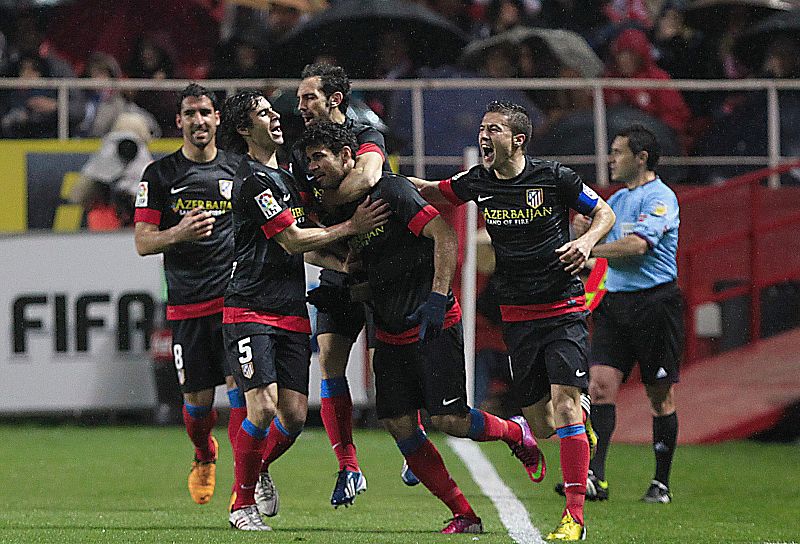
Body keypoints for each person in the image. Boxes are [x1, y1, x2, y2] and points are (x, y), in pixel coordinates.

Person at [300, 121, 552, 535]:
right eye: (309, 159)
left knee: (449, 420)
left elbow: (444, 235)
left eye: (319, 157)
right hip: (388, 328)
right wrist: (345, 278)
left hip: (433, 321)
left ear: (348, 157)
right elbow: (333, 253)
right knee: (399, 424)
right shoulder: (335, 209)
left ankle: (515, 431)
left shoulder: (392, 191)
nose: (313, 167)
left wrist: (438, 297)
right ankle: (464, 513)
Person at [411, 100, 616, 541]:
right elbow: (432, 190)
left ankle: (574, 517)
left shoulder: (555, 178)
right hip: (517, 317)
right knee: (541, 426)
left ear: (518, 139)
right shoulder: (479, 181)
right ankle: (581, 422)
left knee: (563, 407)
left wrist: (588, 244)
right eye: (482, 128)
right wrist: (377, 178)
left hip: (563, 309)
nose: (484, 136)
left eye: (495, 130)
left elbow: (605, 213)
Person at [217, 91, 390, 531]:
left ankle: (257, 472)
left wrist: (343, 263)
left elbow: (308, 248)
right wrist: (353, 227)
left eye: (273, 111)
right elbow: (292, 240)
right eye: (263, 113)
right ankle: (241, 506)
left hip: (291, 310)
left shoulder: (291, 180)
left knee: (293, 417)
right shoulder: (252, 180)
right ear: (244, 129)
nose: (276, 116)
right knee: (261, 407)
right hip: (250, 307)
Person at [289, 63, 414, 506]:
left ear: (334, 100)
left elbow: (367, 178)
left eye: (308, 98)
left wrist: (322, 195)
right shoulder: (299, 152)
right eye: (300, 98)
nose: (301, 106)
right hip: (338, 266)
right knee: (329, 361)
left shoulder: (368, 136)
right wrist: (341, 250)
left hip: (385, 271)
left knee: (388, 371)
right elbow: (299, 236)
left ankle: (411, 447)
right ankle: (348, 467)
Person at [133, 83, 246, 507]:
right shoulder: (160, 176)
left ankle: (245, 483)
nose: (198, 120)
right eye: (190, 113)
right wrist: (179, 233)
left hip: (235, 303)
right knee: (198, 408)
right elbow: (143, 243)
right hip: (187, 305)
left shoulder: (239, 170)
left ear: (217, 118)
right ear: (178, 121)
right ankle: (204, 452)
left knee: (242, 394)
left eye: (205, 112)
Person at [571, 124, 682, 504]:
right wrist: (581, 231)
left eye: (618, 152)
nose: (611, 159)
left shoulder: (661, 198)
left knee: (659, 396)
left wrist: (588, 248)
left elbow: (637, 246)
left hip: (656, 305)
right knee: (599, 388)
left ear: (642, 158)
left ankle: (660, 483)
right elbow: (593, 241)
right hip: (616, 304)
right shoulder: (616, 201)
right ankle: (595, 478)